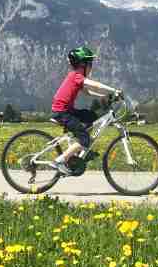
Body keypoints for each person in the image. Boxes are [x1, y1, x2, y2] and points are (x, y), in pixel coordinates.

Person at [50, 46, 121, 176]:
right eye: (90, 64)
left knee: (91, 117)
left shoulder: (75, 77)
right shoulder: (76, 76)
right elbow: (94, 85)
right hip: (63, 113)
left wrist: (104, 96)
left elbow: (88, 91)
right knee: (84, 138)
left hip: (67, 111)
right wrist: (113, 90)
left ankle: (80, 150)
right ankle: (60, 161)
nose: (91, 67)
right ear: (83, 64)